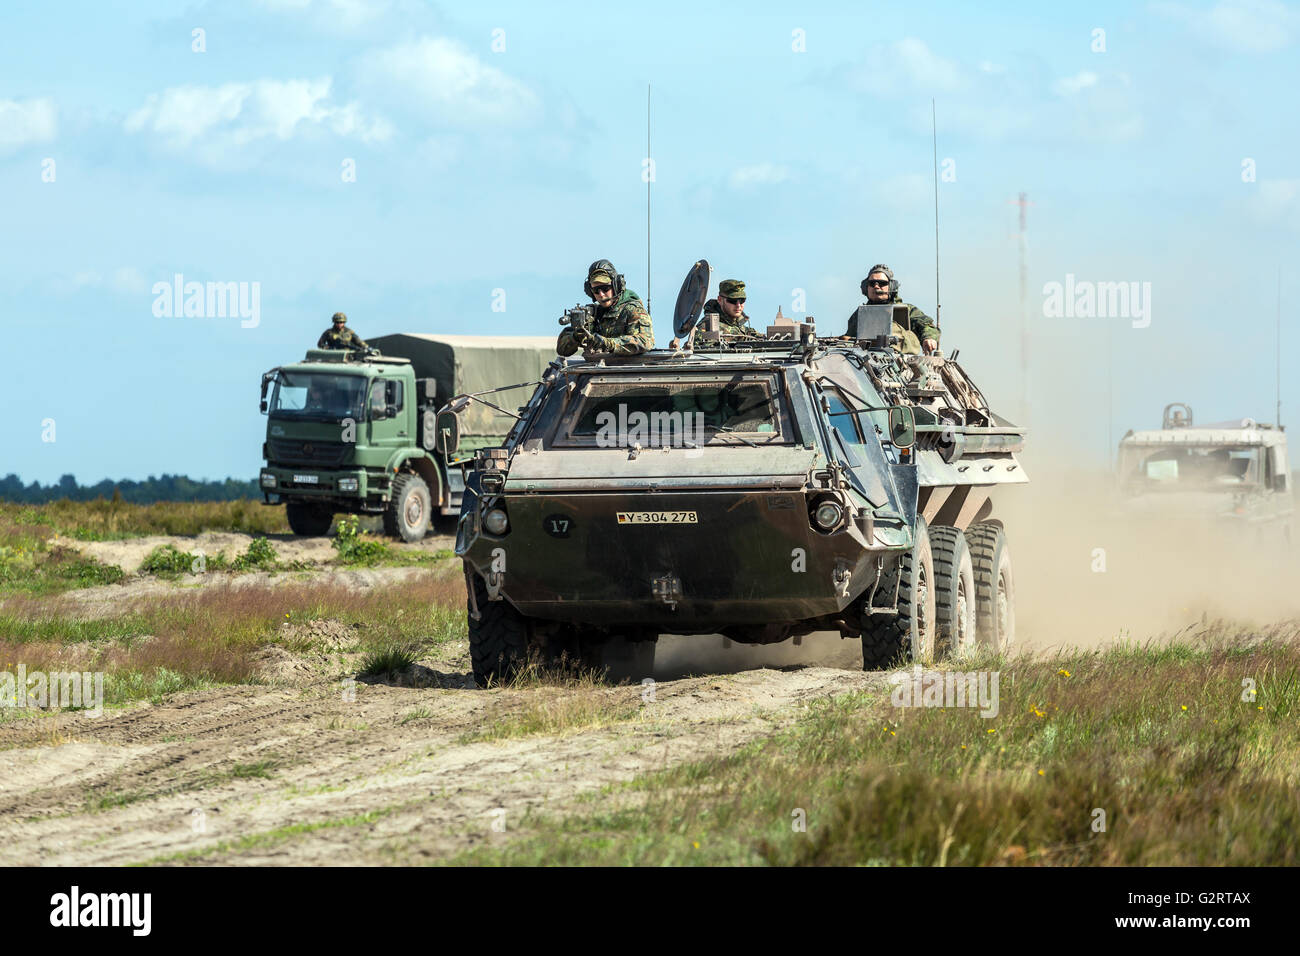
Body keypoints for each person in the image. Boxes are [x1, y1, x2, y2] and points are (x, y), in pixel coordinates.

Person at [557, 260, 655, 357]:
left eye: (605, 288)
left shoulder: (632, 310)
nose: (601, 295)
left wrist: (609, 344)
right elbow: (562, 350)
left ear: (616, 285)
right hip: (598, 369)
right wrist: (576, 336)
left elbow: (645, 341)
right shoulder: (594, 314)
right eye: (596, 290)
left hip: (629, 370)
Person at [845, 265, 940, 354]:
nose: (876, 287)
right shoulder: (860, 314)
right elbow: (849, 340)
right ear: (866, 287)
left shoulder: (907, 310)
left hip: (899, 362)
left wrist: (929, 338)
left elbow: (927, 326)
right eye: (872, 283)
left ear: (891, 286)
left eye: (882, 283)